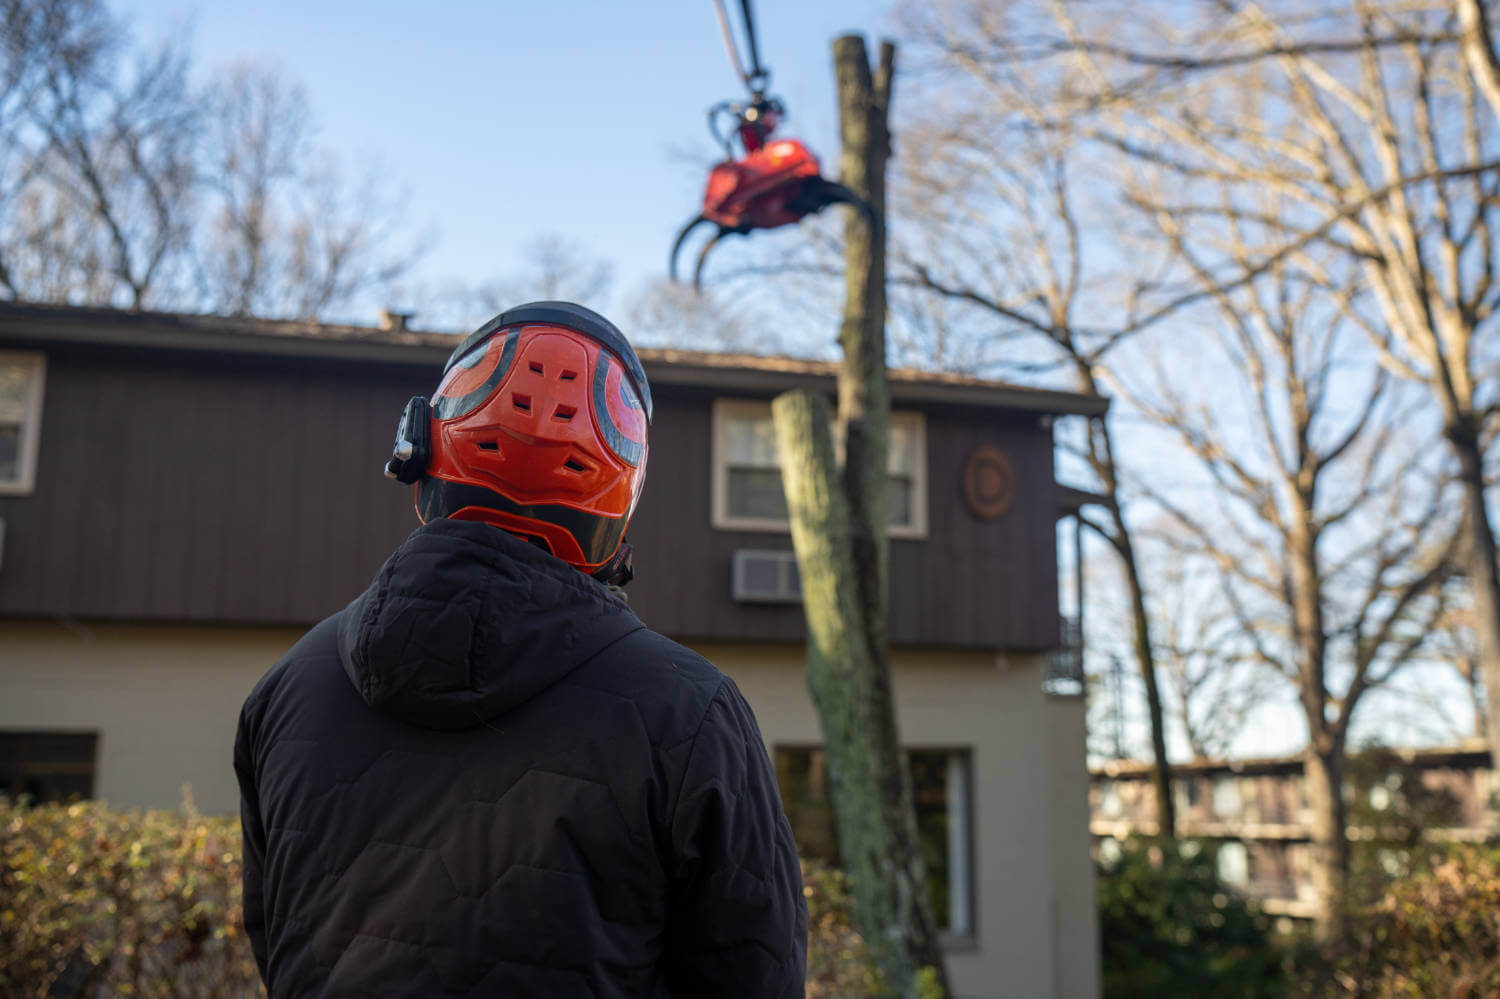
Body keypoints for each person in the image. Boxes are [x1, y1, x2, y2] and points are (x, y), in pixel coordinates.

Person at [234, 301, 808, 998]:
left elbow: (278, 945)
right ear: (617, 499)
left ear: (425, 449)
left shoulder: (288, 690)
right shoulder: (691, 716)